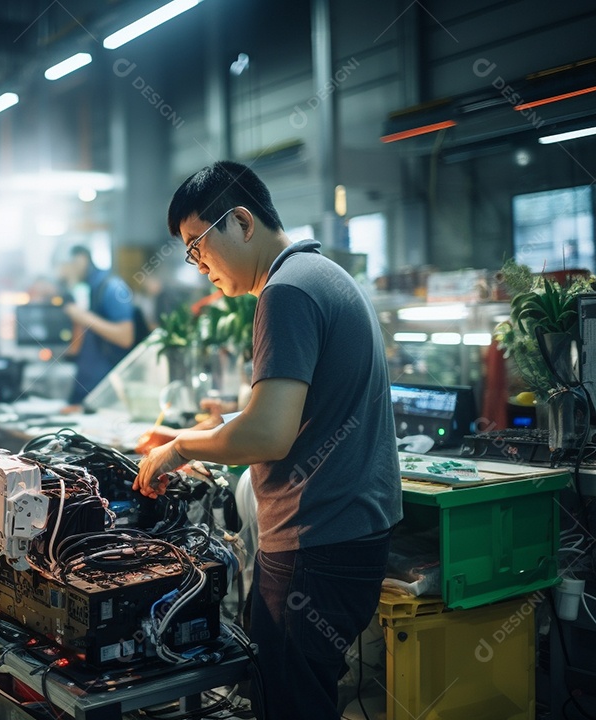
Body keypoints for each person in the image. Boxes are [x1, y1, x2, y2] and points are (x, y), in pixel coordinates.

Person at [133, 161, 402, 719]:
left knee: (289, 704)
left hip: (316, 544)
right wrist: (221, 424)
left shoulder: (287, 292)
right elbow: (295, 413)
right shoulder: (320, 274)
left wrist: (182, 446)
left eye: (197, 244)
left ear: (241, 222)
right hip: (347, 539)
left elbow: (270, 435)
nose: (198, 263)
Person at [60, 246, 136, 407]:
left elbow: (125, 337)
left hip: (107, 391)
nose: (62, 273)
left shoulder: (112, 287)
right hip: (87, 387)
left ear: (81, 259)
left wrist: (83, 317)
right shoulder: (87, 289)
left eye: (64, 266)